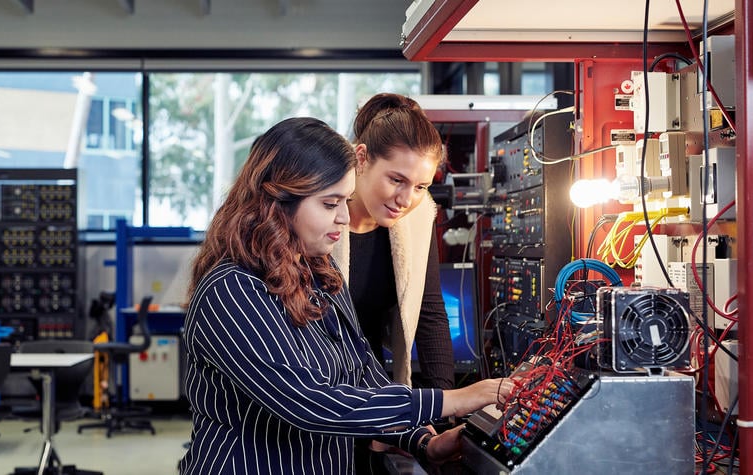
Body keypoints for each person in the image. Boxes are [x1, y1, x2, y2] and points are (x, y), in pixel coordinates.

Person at [180, 117, 513, 474]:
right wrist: (454, 400)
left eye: (346, 201)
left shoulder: (320, 272)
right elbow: (309, 402)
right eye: (329, 204)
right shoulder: (232, 289)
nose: (342, 218)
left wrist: (421, 440)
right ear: (277, 201)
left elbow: (362, 375)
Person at [332, 92, 454, 390]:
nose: (406, 199)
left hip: (370, 382)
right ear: (361, 158)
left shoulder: (418, 218)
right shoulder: (320, 212)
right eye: (397, 180)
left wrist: (447, 411)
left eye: (420, 186)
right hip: (316, 388)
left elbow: (430, 315)